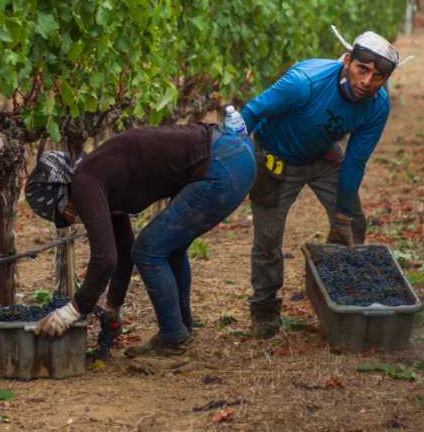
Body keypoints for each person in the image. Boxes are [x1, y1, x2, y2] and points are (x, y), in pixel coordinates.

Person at [24, 111, 255, 365]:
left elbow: (105, 259)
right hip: (233, 156)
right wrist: (113, 307)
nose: (74, 219)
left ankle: (174, 343)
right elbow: (122, 254)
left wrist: (74, 309)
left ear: (62, 197)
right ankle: (179, 331)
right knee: (168, 248)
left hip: (221, 164)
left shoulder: (84, 183)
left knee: (150, 250)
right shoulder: (101, 175)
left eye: (64, 215)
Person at [239, 27, 401, 339]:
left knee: (353, 225)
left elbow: (355, 160)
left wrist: (343, 213)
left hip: (324, 157)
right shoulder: (305, 83)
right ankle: (264, 308)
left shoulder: (378, 105)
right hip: (277, 160)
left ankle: (343, 294)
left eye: (378, 77)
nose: (367, 82)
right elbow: (252, 112)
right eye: (362, 69)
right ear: (346, 62)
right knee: (268, 239)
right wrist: (233, 156)